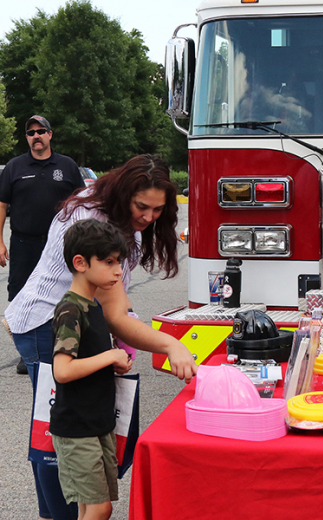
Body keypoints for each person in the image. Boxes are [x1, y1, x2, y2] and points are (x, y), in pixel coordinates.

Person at [6, 154, 198, 520]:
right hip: (47, 323)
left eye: (158, 211)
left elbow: (117, 306)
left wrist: (123, 338)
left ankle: (63, 512)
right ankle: (60, 515)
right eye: (143, 206)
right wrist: (169, 344)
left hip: (85, 322)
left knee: (60, 430)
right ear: (125, 192)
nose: (148, 217)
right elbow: (115, 314)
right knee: (56, 433)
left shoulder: (122, 215)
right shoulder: (91, 218)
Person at [50, 219, 133, 520]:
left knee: (94, 507)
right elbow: (63, 370)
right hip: (76, 428)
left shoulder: (93, 305)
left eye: (119, 262)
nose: (118, 270)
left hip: (97, 423)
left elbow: (91, 359)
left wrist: (115, 362)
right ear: (80, 262)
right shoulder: (71, 309)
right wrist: (111, 355)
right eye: (109, 261)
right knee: (99, 508)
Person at [0, 115, 85, 374]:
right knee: (20, 293)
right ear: (27, 138)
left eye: (41, 131)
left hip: (61, 245)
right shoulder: (14, 167)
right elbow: (2, 205)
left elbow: (81, 202)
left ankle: (64, 349)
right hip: (24, 243)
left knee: (65, 295)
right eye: (31, 132)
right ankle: (28, 353)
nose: (36, 136)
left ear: (50, 134)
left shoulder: (67, 166)